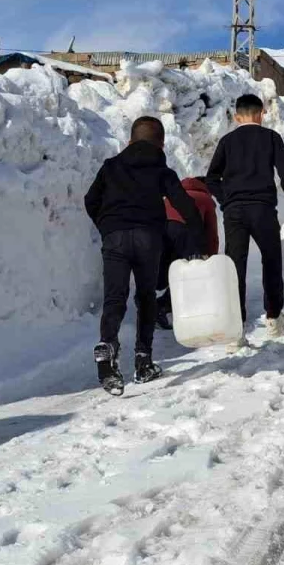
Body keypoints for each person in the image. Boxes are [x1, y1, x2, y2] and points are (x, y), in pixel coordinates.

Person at [84, 116, 207, 396]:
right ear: (161, 145)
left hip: (114, 237)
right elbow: (185, 206)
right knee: (146, 296)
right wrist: (197, 242)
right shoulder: (162, 171)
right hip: (148, 238)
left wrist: (107, 226)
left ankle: (107, 345)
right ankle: (143, 360)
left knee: (114, 297)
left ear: (129, 141)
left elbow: (90, 200)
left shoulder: (110, 166)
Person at [206, 94, 284, 346]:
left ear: (236, 116)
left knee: (235, 267)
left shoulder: (227, 141)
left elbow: (211, 178)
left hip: (234, 213)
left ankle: (235, 330)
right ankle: (273, 318)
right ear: (262, 113)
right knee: (271, 261)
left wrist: (226, 200)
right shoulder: (271, 138)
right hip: (263, 209)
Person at [156, 176, 220, 330]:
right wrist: (209, 260)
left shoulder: (171, 195)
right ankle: (162, 306)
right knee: (190, 273)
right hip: (186, 231)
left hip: (160, 230)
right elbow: (211, 234)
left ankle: (147, 304)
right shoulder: (205, 199)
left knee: (163, 272)